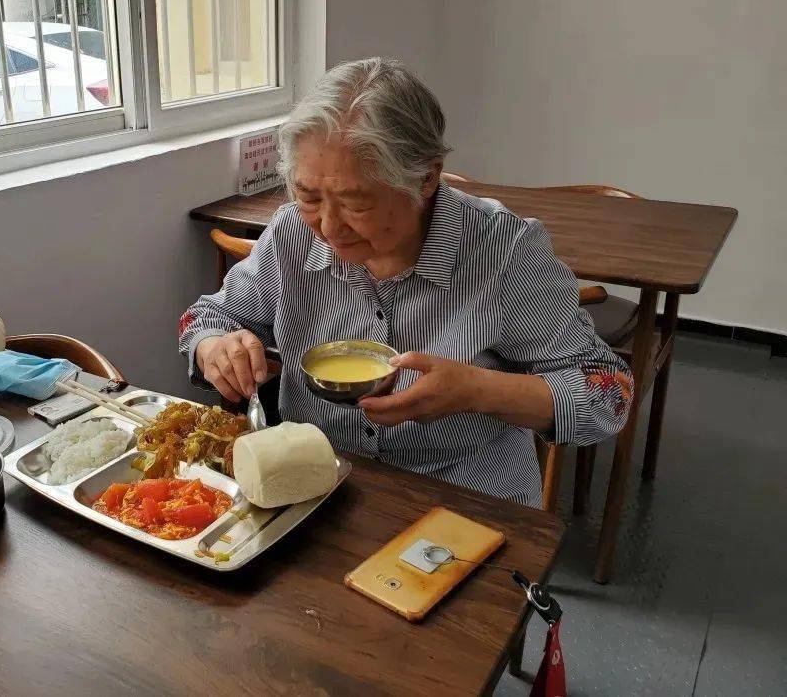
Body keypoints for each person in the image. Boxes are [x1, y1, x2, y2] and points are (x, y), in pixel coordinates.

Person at [178, 58, 632, 506]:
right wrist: (216, 348)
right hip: (317, 487)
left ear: (427, 177)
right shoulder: (291, 232)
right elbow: (205, 318)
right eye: (309, 196)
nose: (329, 227)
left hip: (463, 495)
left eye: (357, 203)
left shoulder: (504, 251)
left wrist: (477, 391)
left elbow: (610, 393)